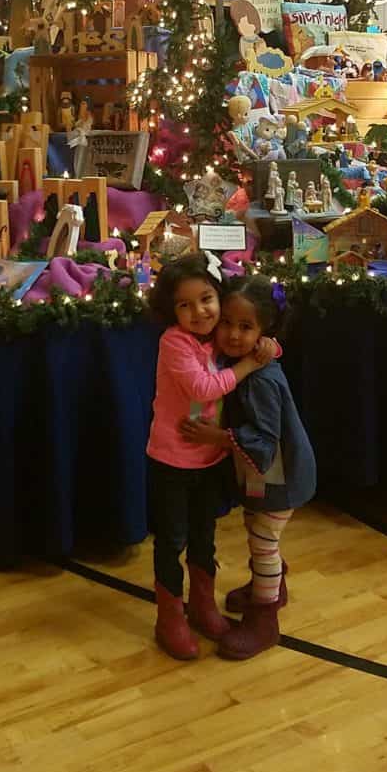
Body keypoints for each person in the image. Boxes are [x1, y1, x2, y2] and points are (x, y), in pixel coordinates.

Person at [147, 253, 276, 661]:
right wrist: (250, 364)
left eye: (206, 299)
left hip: (207, 460)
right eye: (185, 305)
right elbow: (204, 388)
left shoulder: (216, 337)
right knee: (172, 541)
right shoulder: (174, 342)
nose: (199, 311)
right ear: (171, 311)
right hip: (171, 461)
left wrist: (266, 347)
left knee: (204, 536)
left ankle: (202, 606)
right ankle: (169, 617)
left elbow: (259, 339)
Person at [181, 275, 316, 660]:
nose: (233, 335)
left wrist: (217, 437)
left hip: (277, 474)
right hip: (258, 473)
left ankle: (265, 615)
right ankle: (269, 582)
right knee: (256, 530)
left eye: (246, 327)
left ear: (263, 332)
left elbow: (265, 440)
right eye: (227, 322)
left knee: (264, 541)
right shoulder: (239, 361)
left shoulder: (260, 381)